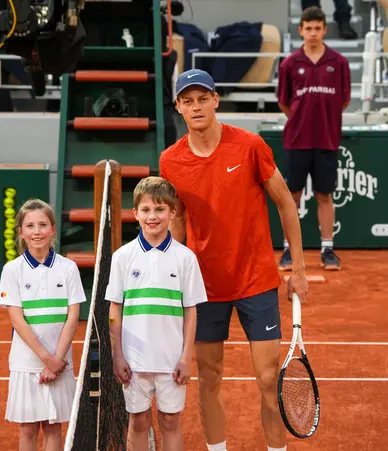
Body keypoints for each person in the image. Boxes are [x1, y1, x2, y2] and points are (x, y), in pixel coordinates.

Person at [159, 68, 309, 451]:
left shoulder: (250, 146)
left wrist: (299, 268)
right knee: (209, 377)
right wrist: (173, 277)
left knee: (267, 377)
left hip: (256, 280)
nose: (196, 107)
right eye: (187, 101)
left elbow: (285, 203)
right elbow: (176, 220)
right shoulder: (170, 161)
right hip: (205, 286)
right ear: (178, 107)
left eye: (202, 98)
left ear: (215, 100)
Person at [106, 176, 208, 451]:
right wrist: (117, 355)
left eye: (160, 209)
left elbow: (190, 310)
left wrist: (186, 356)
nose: (153, 217)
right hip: (134, 361)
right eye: (147, 210)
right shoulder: (122, 257)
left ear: (172, 212)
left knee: (171, 422)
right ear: (135, 213)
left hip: (172, 360)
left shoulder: (185, 258)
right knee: (137, 422)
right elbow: (115, 308)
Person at [0, 198, 86, 451]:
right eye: (30, 226)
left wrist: (57, 360)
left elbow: (72, 318)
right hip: (27, 364)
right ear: (21, 233)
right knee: (27, 428)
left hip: (60, 362)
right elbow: (17, 320)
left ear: (53, 230)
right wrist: (48, 359)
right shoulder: (12, 270)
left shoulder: (68, 268)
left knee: (52, 427)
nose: (37, 232)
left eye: (43, 225)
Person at [277, 6, 351, 271]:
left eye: (317, 28)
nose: (313, 33)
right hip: (297, 140)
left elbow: (344, 100)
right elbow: (284, 102)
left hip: (327, 139)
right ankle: (288, 250)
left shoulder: (339, 62)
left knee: (325, 196)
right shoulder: (289, 64)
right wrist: (301, 119)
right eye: (308, 28)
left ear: (324, 30)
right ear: (300, 30)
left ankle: (327, 250)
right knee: (291, 196)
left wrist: (324, 120)